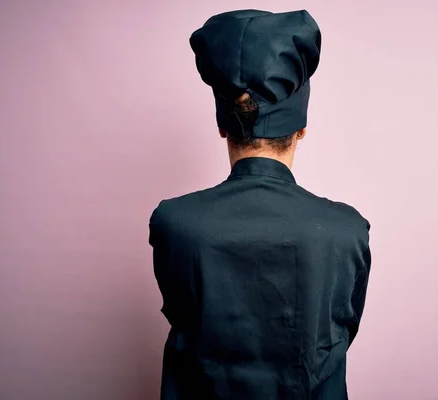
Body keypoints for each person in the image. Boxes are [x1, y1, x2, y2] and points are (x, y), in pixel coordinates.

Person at [148, 9, 372, 400]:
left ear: (221, 127)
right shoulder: (348, 230)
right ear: (301, 129)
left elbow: (182, 316)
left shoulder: (173, 223)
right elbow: (342, 333)